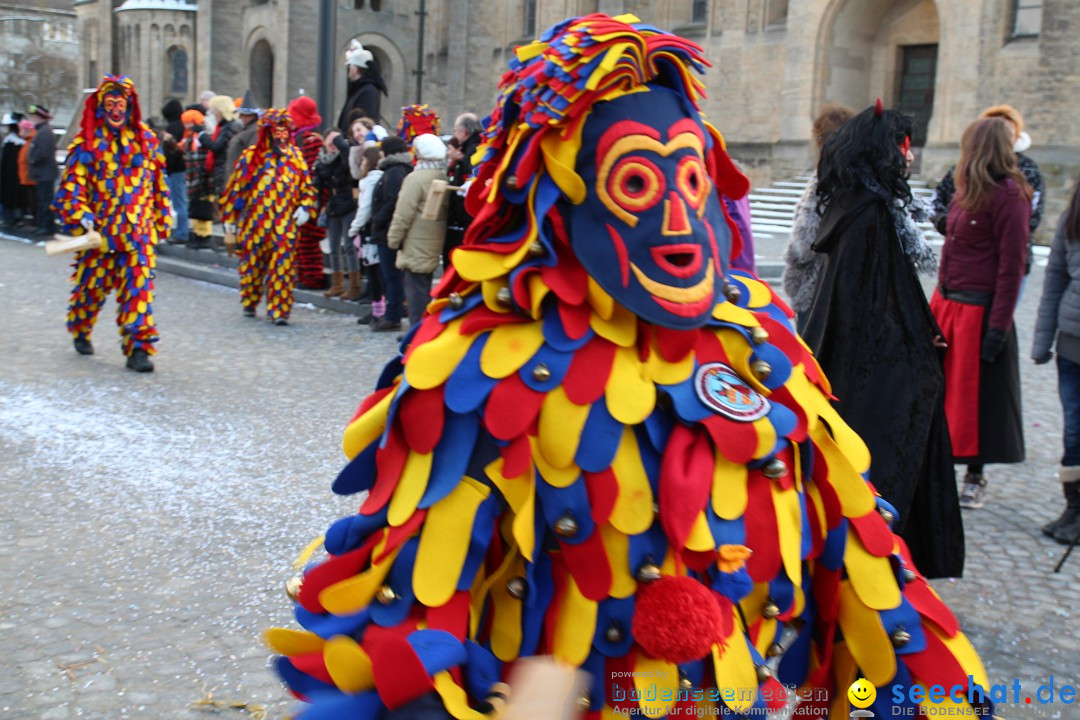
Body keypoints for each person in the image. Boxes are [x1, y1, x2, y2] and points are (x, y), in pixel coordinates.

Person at [266, 15, 993, 720]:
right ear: (561, 196)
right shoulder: (484, 368)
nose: (677, 221)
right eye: (638, 184)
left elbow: (859, 548)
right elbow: (417, 613)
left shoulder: (761, 348)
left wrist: (933, 688)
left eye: (688, 181)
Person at [801, 103, 963, 579]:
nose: (908, 156)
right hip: (875, 375)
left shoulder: (864, 205)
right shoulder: (868, 213)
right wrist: (917, 355)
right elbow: (870, 308)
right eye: (902, 146)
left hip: (869, 361)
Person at [930, 117, 1031, 510]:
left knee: (977, 400)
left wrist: (998, 329)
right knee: (943, 393)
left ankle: (974, 475)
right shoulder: (964, 190)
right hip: (949, 303)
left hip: (979, 310)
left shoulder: (1010, 196)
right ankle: (938, 467)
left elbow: (1012, 265)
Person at [52, 75, 171, 373]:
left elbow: (158, 183)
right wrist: (81, 213)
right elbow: (72, 188)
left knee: (139, 293)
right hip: (100, 238)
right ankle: (80, 326)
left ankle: (138, 351)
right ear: (102, 107)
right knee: (90, 292)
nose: (116, 111)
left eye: (121, 104)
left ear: (130, 106)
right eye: (110, 104)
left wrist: (163, 214)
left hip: (138, 237)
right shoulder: (87, 144)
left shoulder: (147, 141)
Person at [220, 108, 318, 325]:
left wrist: (305, 206)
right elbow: (237, 190)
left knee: (282, 268)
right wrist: (230, 220)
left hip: (285, 226)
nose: (281, 137)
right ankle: (250, 299)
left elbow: (307, 188)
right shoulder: (251, 157)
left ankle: (279, 310)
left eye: (285, 132)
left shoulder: (296, 159)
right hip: (255, 224)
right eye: (277, 132)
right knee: (253, 267)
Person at [932, 104, 1044, 269]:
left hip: (1003, 260)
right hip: (962, 259)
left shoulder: (1027, 169)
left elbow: (1031, 216)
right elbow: (938, 199)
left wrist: (984, 232)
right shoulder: (963, 168)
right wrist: (952, 226)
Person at [1033, 175, 1080, 545]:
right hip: (1072, 344)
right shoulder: (1072, 216)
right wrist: (1042, 340)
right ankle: (1073, 508)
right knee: (1074, 429)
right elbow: (1054, 281)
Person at [782, 104, 855, 329]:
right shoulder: (862, 181)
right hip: (848, 292)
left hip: (815, 291)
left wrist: (792, 273)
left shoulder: (824, 181)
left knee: (813, 360)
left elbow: (803, 247)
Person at [387, 132, 448, 327]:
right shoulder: (442, 175)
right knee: (422, 287)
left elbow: (403, 213)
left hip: (416, 242)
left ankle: (416, 334)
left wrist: (393, 239)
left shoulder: (416, 179)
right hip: (432, 240)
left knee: (416, 294)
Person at [367, 135, 412, 331]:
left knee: (391, 276)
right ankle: (391, 313)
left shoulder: (394, 171)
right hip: (387, 228)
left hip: (387, 230)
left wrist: (378, 219)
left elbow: (393, 199)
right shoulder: (396, 170)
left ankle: (392, 316)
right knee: (391, 276)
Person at [314, 121, 361, 300]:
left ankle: (355, 285)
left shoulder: (345, 155)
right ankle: (337, 284)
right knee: (333, 246)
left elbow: (351, 165)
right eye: (330, 140)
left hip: (348, 203)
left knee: (349, 246)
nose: (333, 144)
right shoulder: (322, 159)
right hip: (332, 205)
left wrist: (343, 146)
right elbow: (320, 181)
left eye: (336, 140)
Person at [287, 95, 329, 290]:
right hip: (301, 197)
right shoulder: (301, 139)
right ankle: (303, 274)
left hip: (311, 198)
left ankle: (312, 276)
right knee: (301, 239)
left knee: (308, 239)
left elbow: (310, 172)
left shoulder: (311, 141)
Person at [347, 144, 385, 325]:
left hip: (369, 231)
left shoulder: (371, 180)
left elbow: (365, 208)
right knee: (374, 272)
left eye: (362, 160)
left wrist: (354, 227)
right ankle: (377, 309)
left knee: (375, 273)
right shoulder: (372, 179)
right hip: (371, 229)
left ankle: (379, 311)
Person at [181, 109, 215, 249]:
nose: (187, 126)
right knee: (195, 207)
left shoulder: (203, 136)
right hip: (193, 176)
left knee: (204, 207)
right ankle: (197, 234)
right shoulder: (189, 137)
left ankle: (205, 235)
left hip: (203, 176)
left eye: (189, 123)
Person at [337, 40, 387, 134]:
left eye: (350, 67)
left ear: (355, 69)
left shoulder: (368, 92)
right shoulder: (359, 90)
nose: (349, 70)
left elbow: (364, 123)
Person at [160, 99, 189, 244]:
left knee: (179, 202)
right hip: (183, 168)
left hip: (175, 169)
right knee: (182, 201)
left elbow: (172, 151)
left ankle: (182, 233)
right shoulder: (183, 126)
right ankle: (183, 231)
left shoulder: (172, 128)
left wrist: (167, 167)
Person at [26, 103, 57, 235]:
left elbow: (43, 152)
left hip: (45, 174)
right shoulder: (43, 130)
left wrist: (32, 160)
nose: (32, 119)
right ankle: (44, 225)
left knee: (45, 201)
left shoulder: (44, 132)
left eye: (33, 116)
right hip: (43, 174)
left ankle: (46, 226)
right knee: (43, 200)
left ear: (39, 117)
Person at [226, 91, 261, 185]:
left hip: (244, 180)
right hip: (237, 177)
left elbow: (252, 155)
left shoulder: (255, 131)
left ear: (252, 116)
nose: (240, 117)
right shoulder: (246, 129)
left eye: (243, 114)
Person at [1, 112, 27, 227]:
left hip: (12, 175)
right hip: (13, 175)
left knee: (12, 197)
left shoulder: (12, 141)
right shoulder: (14, 141)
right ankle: (13, 217)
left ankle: (12, 217)